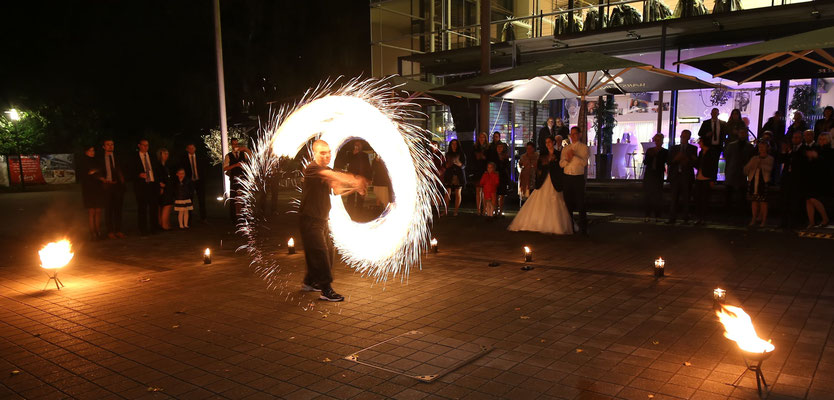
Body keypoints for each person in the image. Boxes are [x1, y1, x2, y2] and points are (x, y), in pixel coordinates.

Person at [300, 140, 368, 302]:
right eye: (322, 153)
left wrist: (354, 188)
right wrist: (354, 179)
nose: (327, 155)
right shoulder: (312, 169)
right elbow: (332, 176)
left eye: (328, 152)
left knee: (321, 252)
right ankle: (326, 289)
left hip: (322, 219)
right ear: (314, 154)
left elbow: (336, 189)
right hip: (310, 220)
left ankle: (309, 282)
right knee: (322, 254)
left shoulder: (325, 170)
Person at [509, 136, 573, 234]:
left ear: (553, 142)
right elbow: (539, 168)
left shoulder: (559, 154)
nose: (548, 144)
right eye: (546, 142)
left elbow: (560, 167)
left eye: (549, 142)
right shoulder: (543, 155)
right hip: (544, 180)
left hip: (554, 180)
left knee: (555, 200)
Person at [560, 127, 589, 235]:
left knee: (581, 203)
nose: (573, 136)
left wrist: (574, 156)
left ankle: (583, 228)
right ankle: (570, 227)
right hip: (567, 177)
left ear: (579, 135)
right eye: (571, 134)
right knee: (568, 203)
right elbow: (561, 164)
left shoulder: (584, 148)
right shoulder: (565, 148)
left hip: (578, 177)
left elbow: (584, 163)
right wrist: (567, 159)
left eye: (575, 134)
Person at [724, 126, 755, 223]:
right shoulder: (732, 145)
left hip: (741, 173)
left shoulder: (749, 146)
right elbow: (727, 157)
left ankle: (740, 215)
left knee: (741, 196)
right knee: (729, 196)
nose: (742, 134)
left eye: (744, 133)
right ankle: (729, 215)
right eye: (741, 132)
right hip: (733, 172)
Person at [667, 130, 697, 224]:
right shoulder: (674, 148)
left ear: (688, 137)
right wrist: (676, 158)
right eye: (682, 136)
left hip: (686, 176)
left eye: (685, 137)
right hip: (676, 176)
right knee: (674, 198)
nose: (683, 138)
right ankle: (672, 217)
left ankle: (685, 217)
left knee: (686, 198)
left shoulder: (693, 148)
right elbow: (669, 161)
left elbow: (695, 163)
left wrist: (687, 160)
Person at [132, 139, 160, 236]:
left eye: (147, 145)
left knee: (153, 207)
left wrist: (158, 183)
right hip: (142, 186)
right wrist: (138, 175)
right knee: (142, 208)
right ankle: (142, 228)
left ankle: (154, 227)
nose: (146, 147)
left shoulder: (152, 156)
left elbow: (157, 170)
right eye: (144, 145)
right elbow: (130, 171)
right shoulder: (135, 158)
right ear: (139, 145)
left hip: (152, 185)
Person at [802, 135, 830, 228]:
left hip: (820, 178)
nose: (822, 141)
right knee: (808, 199)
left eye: (824, 139)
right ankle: (811, 221)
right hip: (811, 177)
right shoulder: (817, 149)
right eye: (820, 139)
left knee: (813, 198)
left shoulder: (829, 150)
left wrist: (816, 156)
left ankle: (825, 218)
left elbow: (826, 164)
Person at [99, 139, 125, 239]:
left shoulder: (117, 158)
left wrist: (121, 181)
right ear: (104, 147)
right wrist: (103, 180)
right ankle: (110, 231)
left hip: (117, 186)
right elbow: (98, 171)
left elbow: (122, 170)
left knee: (118, 209)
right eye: (108, 145)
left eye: (112, 144)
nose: (110, 146)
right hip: (107, 186)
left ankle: (118, 230)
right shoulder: (101, 159)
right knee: (108, 209)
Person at [744, 141, 774, 227]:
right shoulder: (754, 158)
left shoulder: (770, 158)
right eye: (760, 147)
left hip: (763, 181)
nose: (761, 149)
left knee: (763, 202)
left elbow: (769, 168)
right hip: (754, 180)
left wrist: (762, 165)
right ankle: (754, 218)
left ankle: (763, 220)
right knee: (754, 201)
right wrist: (752, 165)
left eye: (763, 147)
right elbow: (746, 169)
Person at [80, 145, 104, 240]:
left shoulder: (96, 161)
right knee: (92, 211)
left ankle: (98, 231)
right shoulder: (83, 162)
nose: (92, 152)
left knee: (98, 210)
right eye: (90, 150)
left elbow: (99, 171)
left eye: (93, 150)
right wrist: (93, 173)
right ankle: (92, 232)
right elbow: (85, 174)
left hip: (97, 187)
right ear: (86, 152)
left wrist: (95, 172)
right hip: (89, 189)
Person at [642, 134, 668, 222]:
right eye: (656, 140)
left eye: (659, 140)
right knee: (648, 196)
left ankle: (657, 215)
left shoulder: (665, 151)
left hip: (658, 175)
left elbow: (666, 162)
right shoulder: (650, 150)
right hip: (650, 175)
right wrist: (650, 156)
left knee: (658, 196)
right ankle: (648, 214)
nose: (658, 142)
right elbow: (645, 162)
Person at [694, 138, 719, 225]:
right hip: (700, 177)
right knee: (698, 198)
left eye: (700, 142)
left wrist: (712, 179)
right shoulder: (701, 152)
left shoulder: (711, 152)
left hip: (706, 178)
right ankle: (699, 218)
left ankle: (702, 218)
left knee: (704, 199)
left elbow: (714, 166)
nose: (699, 143)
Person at [223, 138, 249, 222]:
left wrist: (246, 149)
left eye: (237, 144)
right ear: (231, 145)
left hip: (243, 177)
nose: (236, 146)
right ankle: (234, 217)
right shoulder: (228, 155)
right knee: (234, 197)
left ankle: (244, 215)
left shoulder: (243, 154)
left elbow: (253, 157)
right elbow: (225, 168)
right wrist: (236, 165)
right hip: (234, 178)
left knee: (244, 196)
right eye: (234, 144)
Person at [182, 143, 208, 222]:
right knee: (190, 199)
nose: (191, 150)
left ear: (195, 148)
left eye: (192, 148)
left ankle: (203, 217)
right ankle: (189, 218)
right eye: (189, 148)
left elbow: (204, 168)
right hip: (190, 181)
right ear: (187, 149)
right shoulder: (184, 159)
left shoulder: (199, 157)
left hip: (199, 180)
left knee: (201, 199)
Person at [345, 141, 372, 213]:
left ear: (361, 146)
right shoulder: (350, 154)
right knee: (351, 194)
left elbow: (368, 167)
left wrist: (369, 178)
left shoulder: (365, 155)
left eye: (359, 144)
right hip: (353, 178)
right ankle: (349, 210)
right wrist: (354, 154)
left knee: (361, 195)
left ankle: (359, 211)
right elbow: (347, 163)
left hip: (362, 178)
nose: (357, 146)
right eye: (355, 144)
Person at [442, 139, 466, 216]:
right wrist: (447, 165)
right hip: (449, 174)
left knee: (457, 192)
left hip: (458, 174)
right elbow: (444, 164)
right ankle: (445, 210)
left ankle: (456, 211)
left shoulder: (461, 154)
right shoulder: (448, 154)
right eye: (452, 144)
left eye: (455, 144)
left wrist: (458, 163)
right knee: (447, 193)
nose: (454, 145)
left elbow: (464, 165)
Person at [156, 148, 174, 231]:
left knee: (164, 205)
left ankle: (162, 223)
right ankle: (164, 224)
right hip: (163, 188)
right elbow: (159, 176)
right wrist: (161, 186)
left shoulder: (165, 165)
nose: (166, 155)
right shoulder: (159, 165)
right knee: (166, 205)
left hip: (167, 187)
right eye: (164, 154)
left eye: (167, 154)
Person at [472, 132, 489, 215]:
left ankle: (484, 209)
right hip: (477, 171)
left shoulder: (488, 148)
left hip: (485, 171)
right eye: (480, 137)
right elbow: (472, 159)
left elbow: (489, 159)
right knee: (478, 190)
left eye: (483, 137)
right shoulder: (475, 148)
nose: (482, 139)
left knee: (485, 191)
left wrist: (484, 158)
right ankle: (478, 209)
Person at [495, 143, 511, 215]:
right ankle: (495, 210)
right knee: (495, 195)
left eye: (501, 147)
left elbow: (507, 168)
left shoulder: (505, 157)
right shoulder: (494, 156)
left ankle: (500, 211)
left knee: (502, 195)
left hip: (503, 177)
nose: (499, 148)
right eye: (498, 147)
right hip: (495, 177)